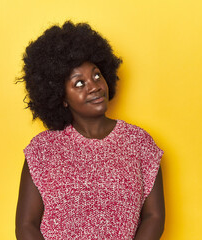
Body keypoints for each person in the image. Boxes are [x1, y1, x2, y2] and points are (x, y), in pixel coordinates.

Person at [15, 21, 165, 240]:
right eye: (79, 83)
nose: (94, 86)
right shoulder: (42, 150)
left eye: (96, 76)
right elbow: (26, 226)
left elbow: (154, 216)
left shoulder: (138, 142)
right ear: (61, 97)